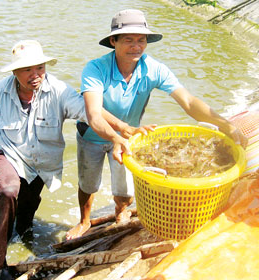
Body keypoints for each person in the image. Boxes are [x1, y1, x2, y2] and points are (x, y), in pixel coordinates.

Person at [66, 9, 248, 240]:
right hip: (93, 135)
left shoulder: (153, 69)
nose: (136, 46)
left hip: (130, 137)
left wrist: (224, 124)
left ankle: (120, 211)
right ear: (113, 41)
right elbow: (93, 113)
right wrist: (117, 135)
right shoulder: (95, 68)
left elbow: (189, 101)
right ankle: (84, 221)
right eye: (128, 40)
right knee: (88, 182)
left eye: (141, 40)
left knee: (124, 186)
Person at [0, 40, 141, 279]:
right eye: (27, 69)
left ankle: (23, 230)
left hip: (41, 161)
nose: (35, 75)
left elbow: (91, 112)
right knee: (8, 192)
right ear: (15, 72)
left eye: (40, 68)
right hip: (9, 151)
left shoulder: (59, 91)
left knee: (29, 205)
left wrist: (121, 130)